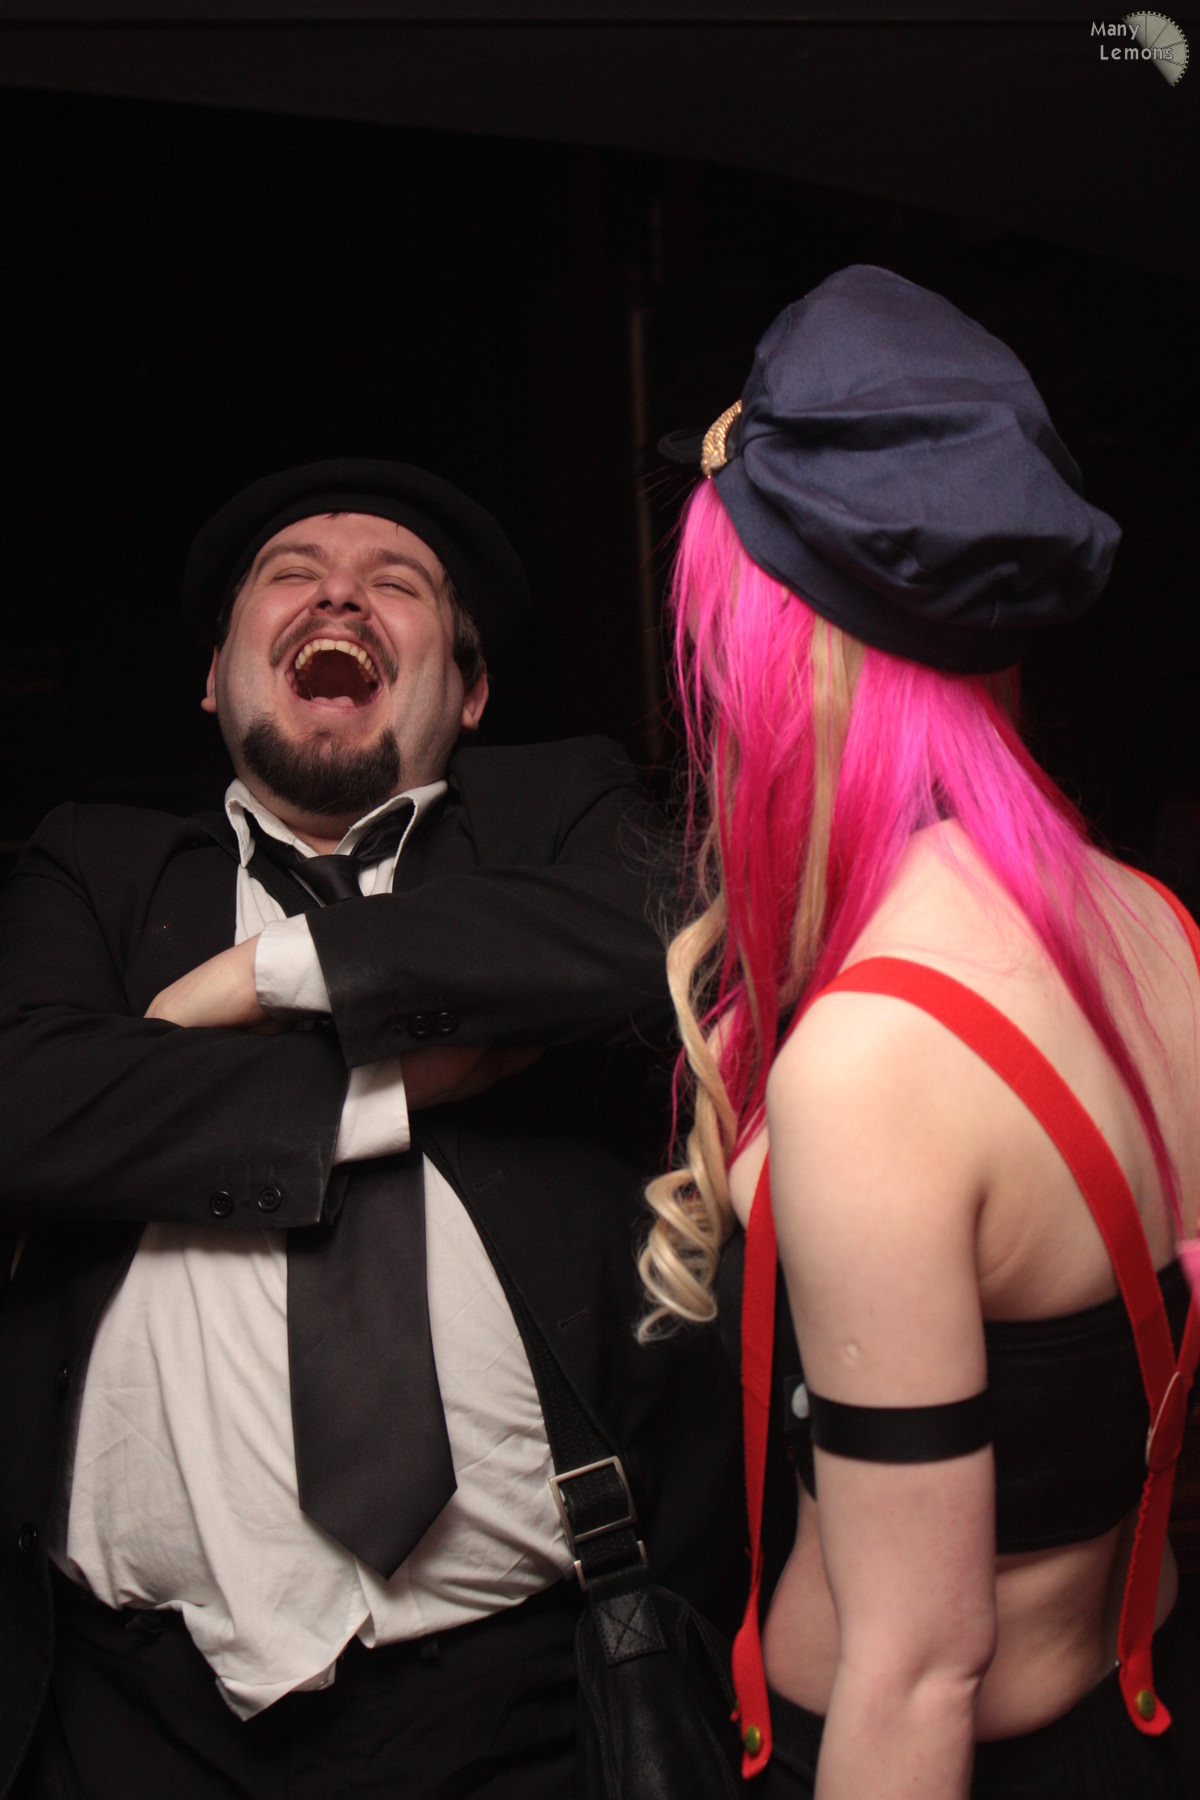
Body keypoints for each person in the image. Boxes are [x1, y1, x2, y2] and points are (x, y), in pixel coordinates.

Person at [0, 459, 743, 1800]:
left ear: (469, 691)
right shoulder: (97, 866)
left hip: (529, 1708)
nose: (338, 594)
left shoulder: (551, 813)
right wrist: (392, 1082)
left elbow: (672, 928)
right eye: (290, 575)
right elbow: (28, 1102)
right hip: (130, 1722)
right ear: (214, 678)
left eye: (396, 583)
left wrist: (275, 978)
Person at [639, 267, 1200, 1798]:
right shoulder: (1159, 930)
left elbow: (915, 1668)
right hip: (1133, 1717)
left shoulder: (876, 1060)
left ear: (778, 644)